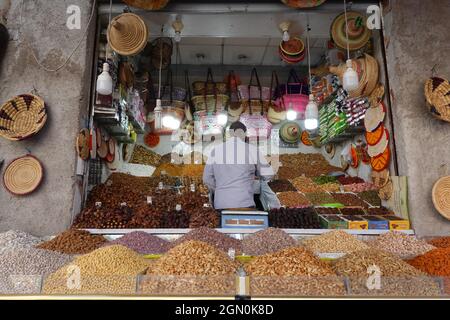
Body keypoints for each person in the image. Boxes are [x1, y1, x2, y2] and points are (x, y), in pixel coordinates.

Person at [203, 121, 274, 210]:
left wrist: (219, 189)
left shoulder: (215, 151)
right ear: (244, 133)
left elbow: (206, 178)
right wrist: (257, 176)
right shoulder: (252, 150)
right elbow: (268, 174)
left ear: (230, 133)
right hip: (244, 203)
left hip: (221, 203)